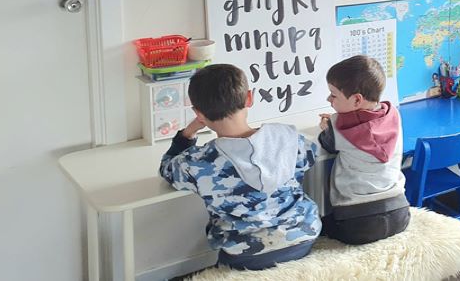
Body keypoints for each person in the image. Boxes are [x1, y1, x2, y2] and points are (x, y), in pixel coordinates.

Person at [159, 64, 320, 270]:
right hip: (302, 238)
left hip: (245, 254)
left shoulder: (196, 162)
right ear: (249, 98)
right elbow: (312, 153)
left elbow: (166, 168)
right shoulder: (288, 139)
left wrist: (187, 134)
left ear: (199, 113)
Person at [318, 55, 410, 245]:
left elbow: (326, 143)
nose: (329, 99)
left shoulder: (337, 127)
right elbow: (366, 125)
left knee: (319, 223)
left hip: (357, 223)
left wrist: (327, 126)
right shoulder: (394, 115)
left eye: (333, 95)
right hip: (399, 213)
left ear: (357, 100)